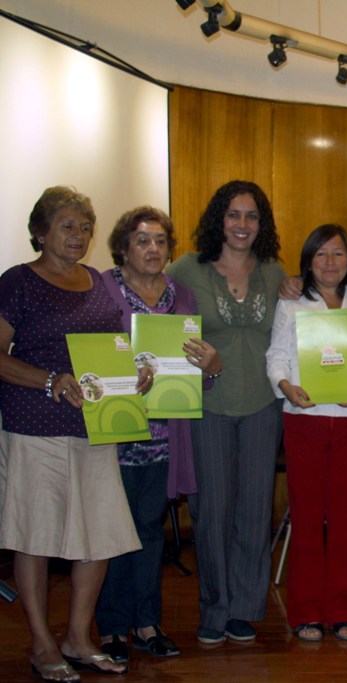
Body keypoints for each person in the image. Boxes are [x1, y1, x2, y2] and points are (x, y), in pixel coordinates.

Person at [0, 187, 152, 681]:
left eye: (85, 227)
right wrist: (49, 381)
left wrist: (135, 374)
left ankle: (78, 637)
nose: (79, 235)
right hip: (35, 427)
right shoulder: (18, 281)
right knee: (35, 535)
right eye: (67, 226)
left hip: (97, 426)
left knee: (99, 534)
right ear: (40, 231)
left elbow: (112, 347)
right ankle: (43, 644)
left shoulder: (97, 282)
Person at [95, 207, 223, 662]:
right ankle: (112, 627)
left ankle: (147, 622)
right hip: (115, 432)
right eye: (142, 240)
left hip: (166, 434)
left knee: (149, 529)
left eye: (160, 240)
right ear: (123, 248)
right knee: (114, 531)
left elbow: (194, 371)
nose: (153, 248)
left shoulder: (181, 294)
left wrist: (211, 368)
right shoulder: (101, 288)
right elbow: (89, 354)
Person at [166, 180, 286, 645]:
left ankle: (244, 609)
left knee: (254, 510)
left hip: (262, 406)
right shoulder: (187, 269)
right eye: (233, 214)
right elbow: (159, 322)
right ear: (219, 218)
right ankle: (214, 608)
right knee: (212, 511)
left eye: (251, 216)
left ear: (262, 224)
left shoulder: (274, 273)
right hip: (208, 405)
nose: (242, 224)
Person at [267, 224, 347, 642]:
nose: (329, 262)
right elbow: (276, 355)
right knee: (306, 517)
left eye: (338, 253)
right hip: (303, 418)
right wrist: (285, 386)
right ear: (308, 261)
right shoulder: (291, 303)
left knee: (344, 518)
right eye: (320, 254)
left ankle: (342, 611)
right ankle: (305, 613)